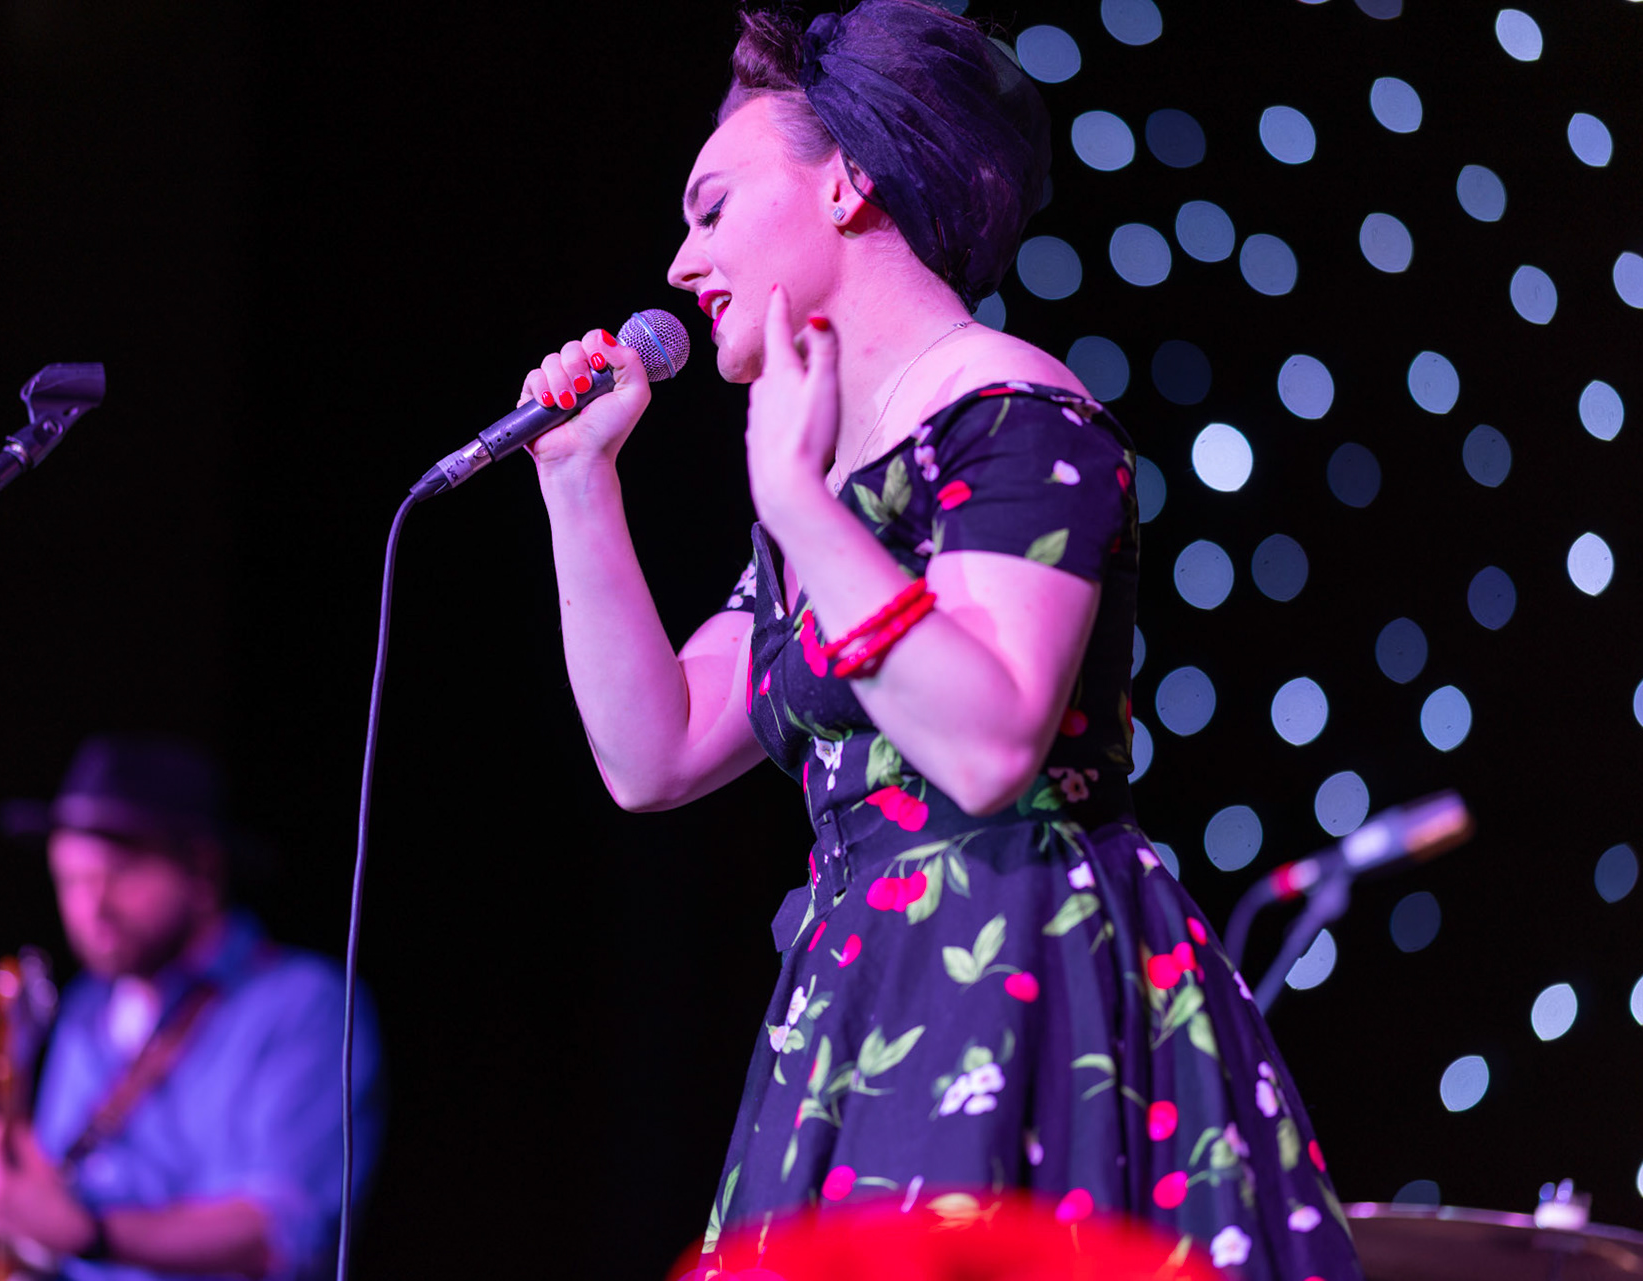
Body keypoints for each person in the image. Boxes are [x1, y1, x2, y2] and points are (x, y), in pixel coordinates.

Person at [518, 2, 1362, 1278]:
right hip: (865, 988)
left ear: (849, 183)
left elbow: (987, 744)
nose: (683, 266)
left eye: (713, 207)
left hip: (1019, 967)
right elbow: (658, 751)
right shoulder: (833, 488)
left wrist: (798, 505)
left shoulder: (1014, 414)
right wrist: (579, 484)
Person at [0, 734, 384, 1280]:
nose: (90, 906)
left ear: (200, 870)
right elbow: (55, 1215)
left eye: (118, 873)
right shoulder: (83, 1012)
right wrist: (13, 1207)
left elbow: (279, 1233)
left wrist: (87, 1231)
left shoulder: (304, 1005)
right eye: (71, 879)